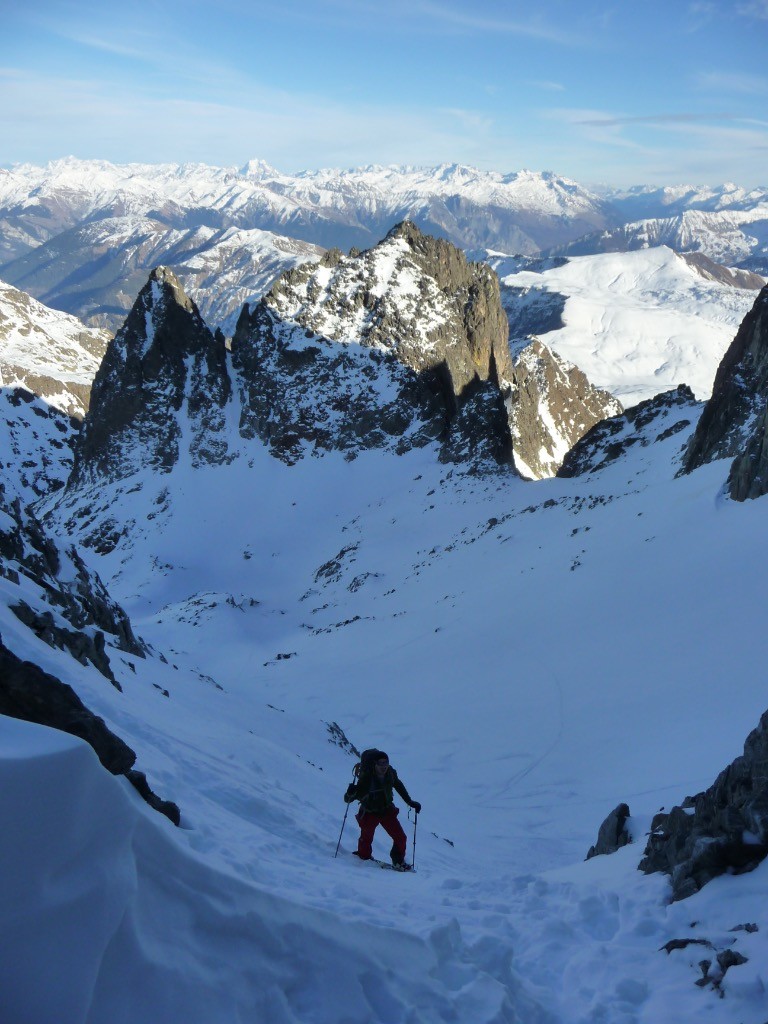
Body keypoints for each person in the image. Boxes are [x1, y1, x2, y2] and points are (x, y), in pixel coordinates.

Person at [344, 750, 421, 869]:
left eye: (386, 763)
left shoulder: (390, 773)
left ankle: (398, 861)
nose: (384, 766)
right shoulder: (367, 779)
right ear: (375, 764)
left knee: (400, 837)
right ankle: (364, 858)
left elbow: (398, 785)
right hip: (370, 812)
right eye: (381, 763)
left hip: (387, 810)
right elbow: (348, 799)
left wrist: (410, 802)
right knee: (366, 838)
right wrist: (350, 793)